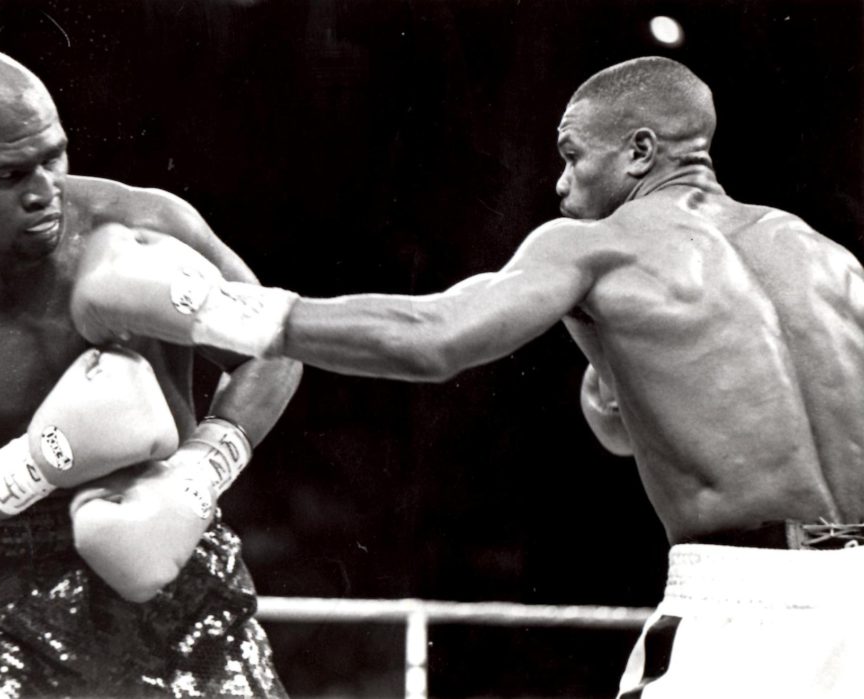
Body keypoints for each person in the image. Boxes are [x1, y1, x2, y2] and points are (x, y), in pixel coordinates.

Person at [104, 56, 864, 697]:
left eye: (572, 156)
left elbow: (433, 338)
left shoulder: (595, 247)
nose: (561, 187)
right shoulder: (826, 257)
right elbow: (643, 433)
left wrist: (215, 312)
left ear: (639, 152)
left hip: (745, 604)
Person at [0, 46, 301, 698]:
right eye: (7, 176)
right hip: (3, 589)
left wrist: (206, 463)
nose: (42, 191)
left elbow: (273, 347)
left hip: (169, 541)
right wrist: (35, 462)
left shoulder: (147, 226)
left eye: (52, 156)